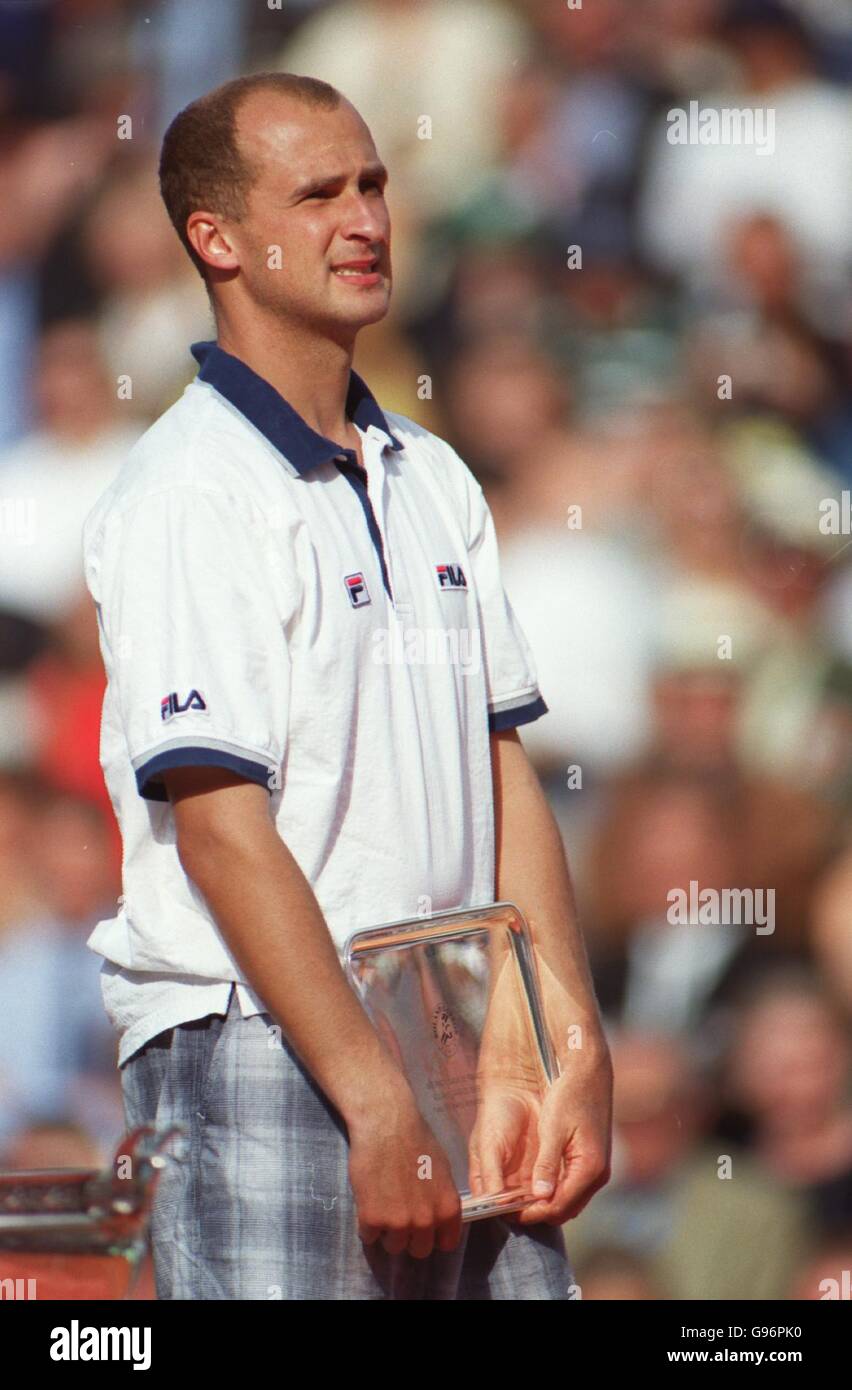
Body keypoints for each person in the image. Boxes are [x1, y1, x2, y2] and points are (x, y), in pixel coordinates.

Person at [82, 72, 612, 1300]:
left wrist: (567, 1037)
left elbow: (503, 771)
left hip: (463, 1028)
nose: (364, 217)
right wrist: (376, 1100)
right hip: (259, 1041)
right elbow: (221, 831)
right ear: (215, 238)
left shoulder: (431, 472)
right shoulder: (187, 492)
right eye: (317, 192)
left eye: (371, 182)